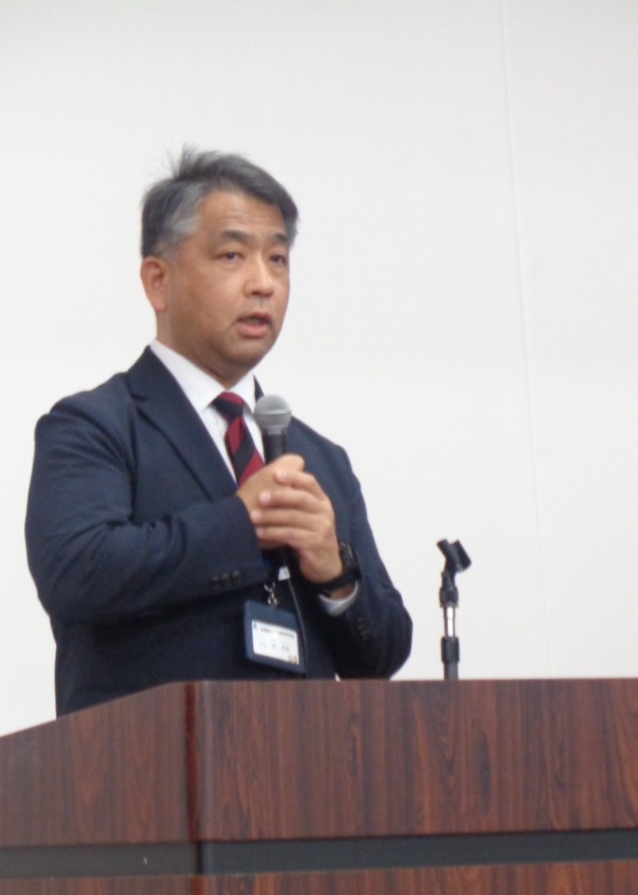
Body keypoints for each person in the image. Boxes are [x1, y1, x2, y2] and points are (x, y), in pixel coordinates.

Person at [25, 149, 413, 715]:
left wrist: (335, 575)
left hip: (306, 759)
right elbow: (76, 574)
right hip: (151, 757)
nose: (263, 283)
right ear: (158, 282)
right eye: (232, 255)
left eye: (277, 259)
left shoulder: (321, 458)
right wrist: (240, 524)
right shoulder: (95, 426)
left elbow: (382, 656)